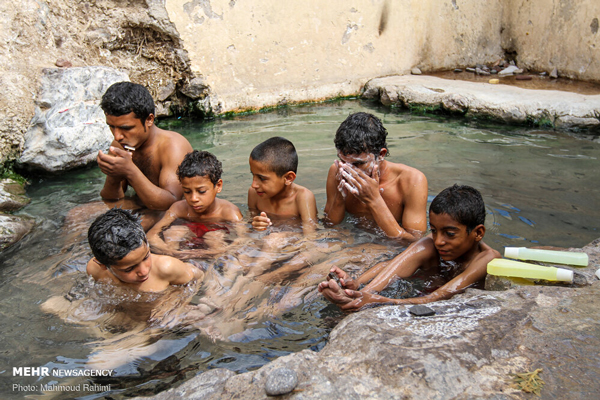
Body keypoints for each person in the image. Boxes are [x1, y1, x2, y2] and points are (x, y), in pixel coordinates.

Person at [319, 184, 501, 311]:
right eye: (434, 230)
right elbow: (393, 265)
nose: (439, 241)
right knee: (424, 245)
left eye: (450, 234)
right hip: (423, 293)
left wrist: (379, 301)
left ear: (478, 233)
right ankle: (355, 297)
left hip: (449, 306)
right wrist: (357, 286)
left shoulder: (487, 259)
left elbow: (437, 298)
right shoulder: (432, 245)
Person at [324, 112, 428, 241]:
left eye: (358, 163)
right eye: (344, 161)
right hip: (350, 238)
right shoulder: (337, 171)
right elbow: (329, 226)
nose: (349, 170)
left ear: (381, 154)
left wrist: (374, 200)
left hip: (390, 248)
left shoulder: (412, 180)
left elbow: (414, 242)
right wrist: (340, 198)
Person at [97, 82, 193, 219]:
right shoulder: (119, 145)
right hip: (140, 206)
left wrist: (130, 171)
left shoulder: (173, 146)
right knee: (75, 215)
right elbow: (111, 200)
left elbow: (172, 202)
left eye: (126, 128)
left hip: (173, 214)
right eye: (112, 127)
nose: (117, 136)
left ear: (149, 120)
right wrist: (113, 176)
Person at [147, 150, 244, 258]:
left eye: (201, 191)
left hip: (215, 248)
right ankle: (175, 263)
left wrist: (211, 254)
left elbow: (244, 239)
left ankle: (214, 267)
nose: (193, 199)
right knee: (174, 232)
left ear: (218, 186)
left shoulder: (229, 212)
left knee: (214, 237)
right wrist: (171, 252)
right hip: (186, 244)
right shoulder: (178, 209)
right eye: (187, 192)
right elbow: (151, 235)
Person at [86, 208, 204, 292]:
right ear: (103, 265)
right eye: (129, 269)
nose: (143, 271)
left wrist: (176, 304)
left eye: (146, 257)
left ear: (146, 244)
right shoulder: (95, 270)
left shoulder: (166, 268)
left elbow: (198, 276)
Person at [248, 136, 318, 235]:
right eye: (253, 175)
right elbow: (248, 226)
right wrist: (255, 225)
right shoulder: (254, 193)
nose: (254, 184)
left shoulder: (302, 197)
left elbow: (310, 237)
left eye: (262, 178)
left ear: (288, 178)